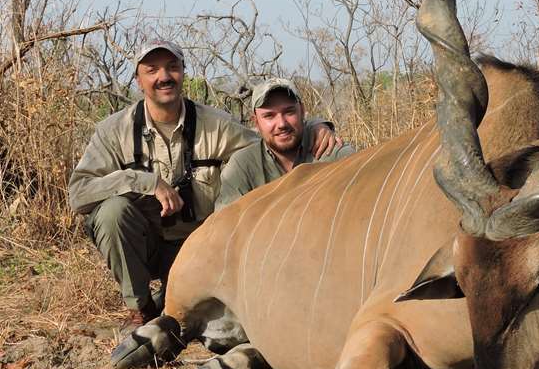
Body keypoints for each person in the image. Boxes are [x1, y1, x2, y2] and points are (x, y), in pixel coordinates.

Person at [68, 42, 340, 332]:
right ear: (138, 79)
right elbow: (79, 192)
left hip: (199, 251)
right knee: (111, 213)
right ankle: (142, 311)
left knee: (210, 316)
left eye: (173, 67)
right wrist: (142, 181)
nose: (164, 76)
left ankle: (176, 302)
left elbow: (269, 143)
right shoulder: (113, 130)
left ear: (184, 73)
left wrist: (314, 126)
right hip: (144, 247)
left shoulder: (215, 124)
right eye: (152, 70)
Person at [215, 77, 354, 211]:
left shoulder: (333, 154)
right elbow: (224, 225)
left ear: (302, 111)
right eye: (269, 116)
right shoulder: (242, 166)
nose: (281, 124)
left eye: (289, 112)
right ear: (256, 121)